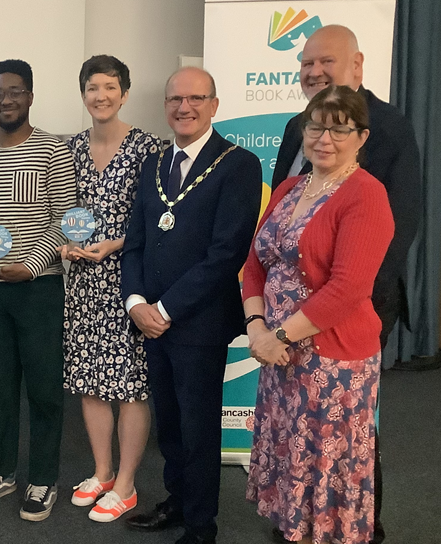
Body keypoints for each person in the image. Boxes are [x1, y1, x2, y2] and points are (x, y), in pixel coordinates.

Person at [271, 26, 421, 543]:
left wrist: (335, 309)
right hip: (287, 334)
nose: (315, 71)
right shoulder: (297, 126)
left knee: (346, 440)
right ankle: (302, 523)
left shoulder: (388, 127)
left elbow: (398, 230)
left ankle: (359, 530)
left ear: (357, 66)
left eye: (326, 62)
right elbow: (278, 223)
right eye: (306, 63)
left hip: (346, 325)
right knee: (299, 437)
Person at [243, 85, 394, 544]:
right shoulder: (290, 187)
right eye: (315, 126)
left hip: (333, 359)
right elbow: (254, 264)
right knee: (293, 454)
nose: (324, 138)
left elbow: (348, 289)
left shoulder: (366, 195)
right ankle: (295, 531)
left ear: (361, 136)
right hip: (279, 353)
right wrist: (256, 327)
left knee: (328, 466)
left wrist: (279, 337)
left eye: (339, 128)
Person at [121, 67, 262, 544]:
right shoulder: (154, 163)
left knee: (199, 428)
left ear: (214, 105)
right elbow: (136, 241)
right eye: (175, 99)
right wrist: (137, 301)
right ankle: (177, 502)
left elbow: (227, 253)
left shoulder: (239, 164)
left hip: (198, 322)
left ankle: (201, 527)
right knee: (171, 426)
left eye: (195, 98)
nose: (184, 107)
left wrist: (167, 309)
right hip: (150, 320)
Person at [0, 59, 77, 522]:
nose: (5, 100)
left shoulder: (54, 150)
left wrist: (29, 266)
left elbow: (67, 220)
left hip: (37, 289)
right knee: (0, 384)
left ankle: (44, 478)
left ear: (30, 96)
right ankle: (2, 471)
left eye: (14, 91)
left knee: (45, 387)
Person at [59, 55, 160, 523]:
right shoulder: (73, 148)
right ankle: (101, 471)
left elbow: (155, 222)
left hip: (128, 279)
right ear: (83, 94)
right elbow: (64, 209)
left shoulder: (147, 148)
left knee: (129, 383)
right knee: (88, 378)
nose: (101, 95)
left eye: (110, 87)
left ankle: (126, 482)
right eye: (92, 87)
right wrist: (66, 244)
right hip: (82, 281)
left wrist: (114, 244)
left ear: (124, 92)